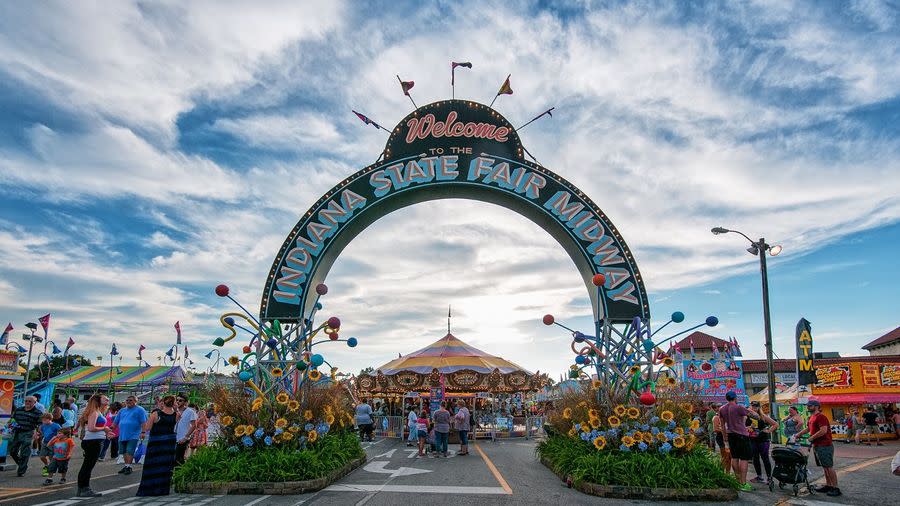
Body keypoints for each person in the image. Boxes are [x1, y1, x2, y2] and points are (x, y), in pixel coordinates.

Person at [792, 399, 840, 496]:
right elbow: (809, 428)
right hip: (817, 445)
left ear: (816, 406)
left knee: (829, 467)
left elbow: (823, 430)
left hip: (825, 445)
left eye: (810, 406)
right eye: (808, 406)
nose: (808, 407)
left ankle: (835, 488)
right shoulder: (812, 417)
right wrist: (799, 434)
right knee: (825, 467)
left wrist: (811, 438)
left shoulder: (821, 417)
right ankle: (829, 485)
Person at [136, 395, 179, 496]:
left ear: (163, 402)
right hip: (169, 443)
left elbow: (147, 428)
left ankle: (149, 489)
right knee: (165, 466)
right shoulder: (177, 415)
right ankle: (162, 489)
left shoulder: (156, 414)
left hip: (156, 442)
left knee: (152, 465)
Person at [718, 391, 760, 491]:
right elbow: (757, 417)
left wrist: (725, 438)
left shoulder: (722, 409)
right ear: (735, 398)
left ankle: (737, 481)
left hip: (730, 435)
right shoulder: (739, 407)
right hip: (741, 435)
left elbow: (722, 425)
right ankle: (743, 483)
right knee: (744, 459)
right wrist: (750, 409)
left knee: (734, 457)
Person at [76, 394, 112, 497]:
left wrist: (106, 433)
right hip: (93, 442)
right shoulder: (95, 412)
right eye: (105, 398)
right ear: (98, 400)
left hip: (94, 440)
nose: (108, 400)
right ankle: (84, 488)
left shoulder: (98, 412)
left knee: (87, 465)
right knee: (88, 466)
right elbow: (91, 428)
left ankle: (82, 489)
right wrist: (104, 429)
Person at [7, 396, 43, 476]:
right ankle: (22, 464)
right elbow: (13, 419)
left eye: (30, 401)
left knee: (24, 452)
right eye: (26, 401)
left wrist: (37, 433)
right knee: (12, 451)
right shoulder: (19, 410)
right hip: (17, 432)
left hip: (28, 433)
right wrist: (10, 425)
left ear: (34, 403)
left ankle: (21, 471)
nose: (27, 402)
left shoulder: (38, 412)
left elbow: (40, 424)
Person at [114, 395, 148, 475]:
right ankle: (126, 466)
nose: (128, 402)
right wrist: (109, 430)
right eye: (127, 400)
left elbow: (143, 422)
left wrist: (143, 432)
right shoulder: (122, 411)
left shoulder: (140, 410)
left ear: (136, 402)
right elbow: (115, 422)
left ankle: (129, 466)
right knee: (124, 451)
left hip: (134, 434)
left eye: (131, 400)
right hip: (123, 434)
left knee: (130, 450)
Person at [747, 401, 778, 483]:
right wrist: (750, 427)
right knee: (755, 458)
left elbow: (775, 424)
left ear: (759, 407)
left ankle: (769, 477)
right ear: (750, 407)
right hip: (752, 440)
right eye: (753, 406)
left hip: (763, 440)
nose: (754, 408)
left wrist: (768, 431)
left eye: (756, 406)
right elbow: (744, 427)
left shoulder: (763, 416)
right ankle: (759, 476)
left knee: (765, 458)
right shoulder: (747, 416)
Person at [174, 394, 197, 465]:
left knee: (179, 459)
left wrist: (186, 437)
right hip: (173, 437)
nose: (178, 402)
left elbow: (194, 425)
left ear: (185, 402)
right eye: (177, 400)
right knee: (173, 458)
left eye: (180, 400)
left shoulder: (190, 412)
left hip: (183, 438)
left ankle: (180, 474)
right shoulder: (174, 411)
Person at [38, 412, 62, 477]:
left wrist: (59, 439)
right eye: (42, 420)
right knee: (42, 456)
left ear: (49, 419)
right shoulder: (43, 426)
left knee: (51, 457)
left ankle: (52, 469)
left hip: (53, 443)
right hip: (45, 442)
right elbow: (40, 431)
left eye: (44, 420)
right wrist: (39, 434)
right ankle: (46, 465)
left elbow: (61, 432)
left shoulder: (56, 425)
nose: (43, 421)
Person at [712, 407, 731, 474]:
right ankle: (721, 472)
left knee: (729, 457)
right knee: (724, 456)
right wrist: (725, 430)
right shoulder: (716, 417)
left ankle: (727, 473)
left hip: (729, 438)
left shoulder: (728, 418)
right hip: (721, 438)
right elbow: (715, 429)